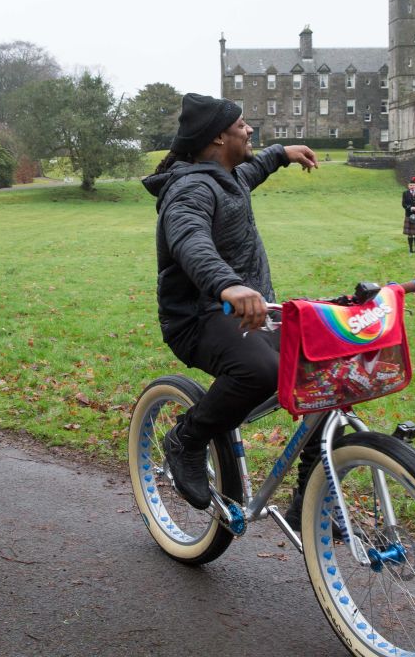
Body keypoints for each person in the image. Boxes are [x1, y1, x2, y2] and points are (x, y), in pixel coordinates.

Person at [141, 93, 319, 527]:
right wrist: (228, 284)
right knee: (260, 372)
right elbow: (189, 239)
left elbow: (252, 169)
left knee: (322, 364)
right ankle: (187, 437)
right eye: (242, 125)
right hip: (200, 318)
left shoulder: (227, 174)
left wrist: (282, 154)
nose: (249, 129)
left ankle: (313, 499)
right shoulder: (190, 188)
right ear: (219, 137)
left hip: (252, 314)